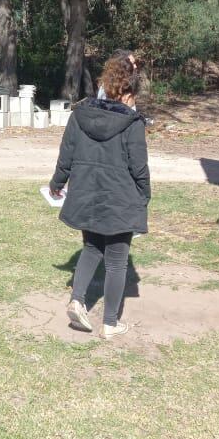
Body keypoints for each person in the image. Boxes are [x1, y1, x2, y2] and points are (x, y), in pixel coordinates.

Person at [49, 55, 150, 339]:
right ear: (128, 93)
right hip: (120, 198)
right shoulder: (132, 123)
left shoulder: (79, 114)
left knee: (92, 248)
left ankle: (77, 299)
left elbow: (65, 154)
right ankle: (110, 323)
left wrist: (57, 183)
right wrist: (144, 195)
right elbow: (139, 166)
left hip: (87, 194)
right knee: (117, 261)